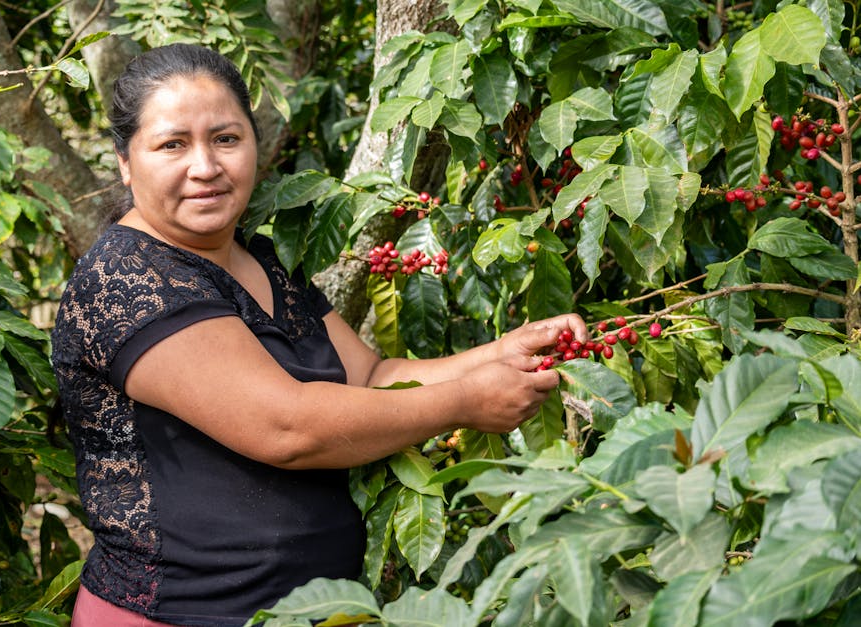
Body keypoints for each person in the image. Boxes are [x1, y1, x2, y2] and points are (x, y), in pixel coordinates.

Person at [51, 42, 587, 626]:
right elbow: (288, 427)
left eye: (226, 139)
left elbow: (374, 377)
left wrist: (503, 352)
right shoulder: (127, 281)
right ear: (127, 162)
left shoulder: (260, 257)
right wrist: (465, 402)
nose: (204, 166)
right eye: (172, 144)